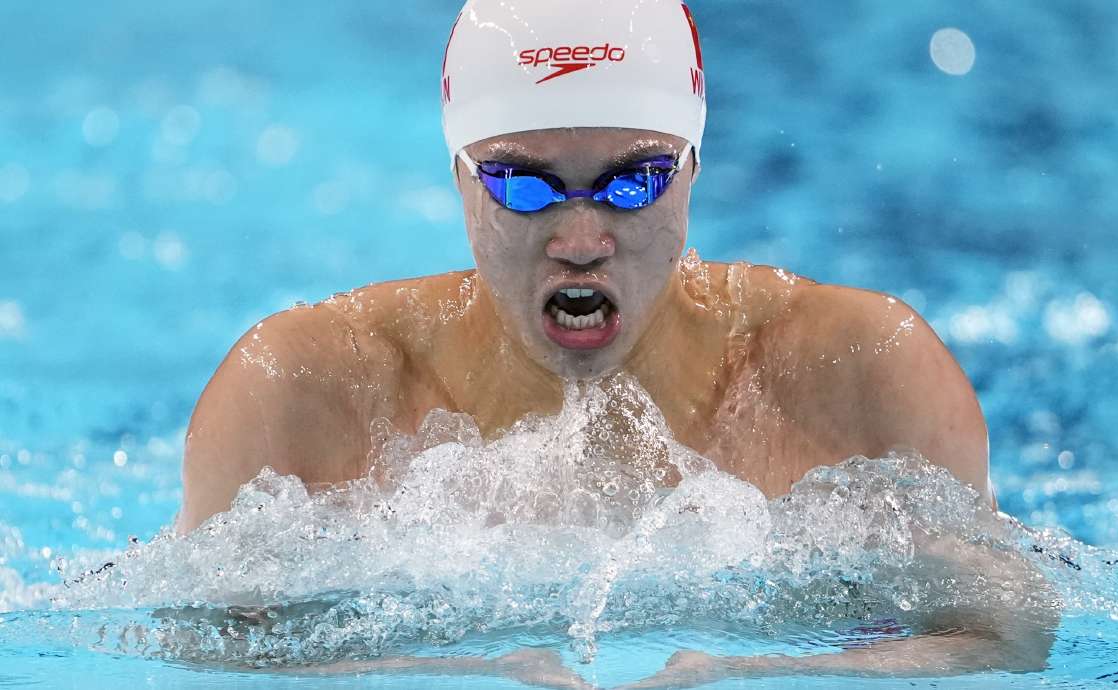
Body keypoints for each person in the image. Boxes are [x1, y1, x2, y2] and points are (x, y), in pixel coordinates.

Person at [176, 1, 1051, 686]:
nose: (583, 236)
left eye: (633, 182)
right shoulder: (300, 392)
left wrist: (762, 678)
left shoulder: (863, 371)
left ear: (694, 168)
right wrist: (444, 678)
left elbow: (1009, 633)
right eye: (525, 185)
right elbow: (195, 648)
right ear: (458, 176)